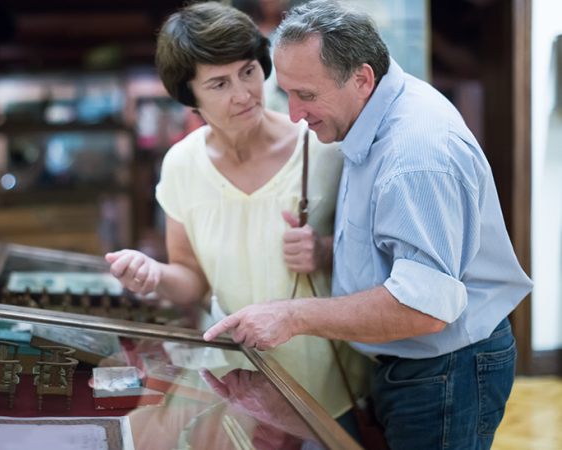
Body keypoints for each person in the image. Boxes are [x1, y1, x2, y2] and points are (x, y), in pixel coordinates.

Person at [203, 1, 535, 449]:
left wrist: (291, 315)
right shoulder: (372, 109)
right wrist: (327, 251)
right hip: (413, 365)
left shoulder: (416, 155)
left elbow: (424, 307)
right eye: (288, 94)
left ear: (362, 78)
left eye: (307, 95)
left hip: (445, 371)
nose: (295, 114)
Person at [105, 1, 369, 433]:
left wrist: (323, 252)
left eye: (249, 71)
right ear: (190, 95)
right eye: (219, 83)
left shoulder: (323, 146)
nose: (243, 93)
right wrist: (154, 274)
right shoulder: (181, 166)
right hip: (237, 384)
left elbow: (379, 261)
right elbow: (191, 279)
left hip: (328, 383)